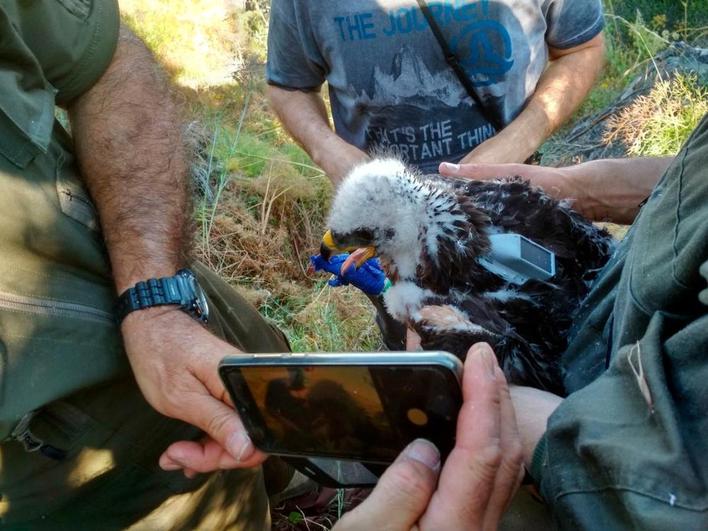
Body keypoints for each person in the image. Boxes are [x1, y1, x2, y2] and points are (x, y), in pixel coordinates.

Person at [333, 115, 708, 529]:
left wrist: (518, 415)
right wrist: (587, 191)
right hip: (609, 293)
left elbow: (677, 498)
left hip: (598, 419)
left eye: (368, 236)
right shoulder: (483, 206)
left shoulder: (433, 303)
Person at [0, 2, 292, 528]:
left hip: (148, 288)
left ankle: (291, 494)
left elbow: (104, 59)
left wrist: (154, 299)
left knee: (269, 382)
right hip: (51, 481)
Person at [266, 0, 606, 183]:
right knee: (408, 312)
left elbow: (581, 48)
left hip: (516, 191)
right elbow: (290, 86)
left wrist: (519, 140)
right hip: (384, 216)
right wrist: (329, 152)